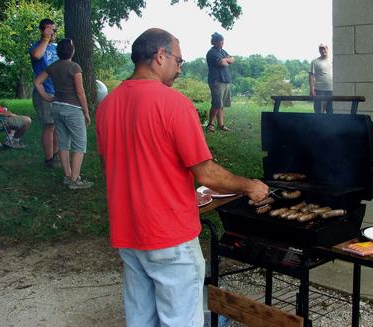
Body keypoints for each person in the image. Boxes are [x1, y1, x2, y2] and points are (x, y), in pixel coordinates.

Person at [95, 28, 269, 327]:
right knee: (180, 321)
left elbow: (108, 166)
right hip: (168, 235)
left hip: (128, 233)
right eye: (178, 59)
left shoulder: (107, 105)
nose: (180, 66)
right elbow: (206, 172)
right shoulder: (174, 104)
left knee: (141, 320)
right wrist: (249, 185)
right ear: (159, 56)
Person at [34, 38, 93, 190]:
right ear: (71, 51)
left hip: (57, 107)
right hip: (72, 108)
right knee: (79, 143)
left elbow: (37, 82)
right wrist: (86, 112)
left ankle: (68, 175)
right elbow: (80, 92)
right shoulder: (74, 67)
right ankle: (75, 179)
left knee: (63, 142)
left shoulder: (53, 66)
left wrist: (46, 97)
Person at [29, 18, 60, 168]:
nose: (53, 33)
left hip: (58, 91)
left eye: (54, 30)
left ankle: (55, 155)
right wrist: (46, 39)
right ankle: (49, 160)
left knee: (57, 126)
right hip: (44, 92)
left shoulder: (56, 48)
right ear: (42, 31)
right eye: (49, 30)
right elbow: (37, 56)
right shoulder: (36, 46)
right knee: (49, 126)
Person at [206, 32, 234, 132]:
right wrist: (226, 60)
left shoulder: (222, 51)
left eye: (222, 40)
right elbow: (223, 63)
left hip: (224, 80)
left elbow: (232, 59)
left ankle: (221, 125)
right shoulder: (212, 52)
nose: (222, 42)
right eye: (220, 41)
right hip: (216, 81)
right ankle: (210, 124)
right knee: (217, 103)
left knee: (221, 105)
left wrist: (227, 59)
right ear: (215, 42)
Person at [309, 43, 333, 113]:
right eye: (321, 49)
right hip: (319, 90)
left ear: (327, 49)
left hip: (332, 90)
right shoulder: (315, 62)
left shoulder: (333, 60)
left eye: (324, 48)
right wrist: (311, 90)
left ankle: (330, 124)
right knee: (319, 111)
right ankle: (318, 124)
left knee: (331, 111)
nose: (323, 50)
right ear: (319, 51)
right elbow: (311, 76)